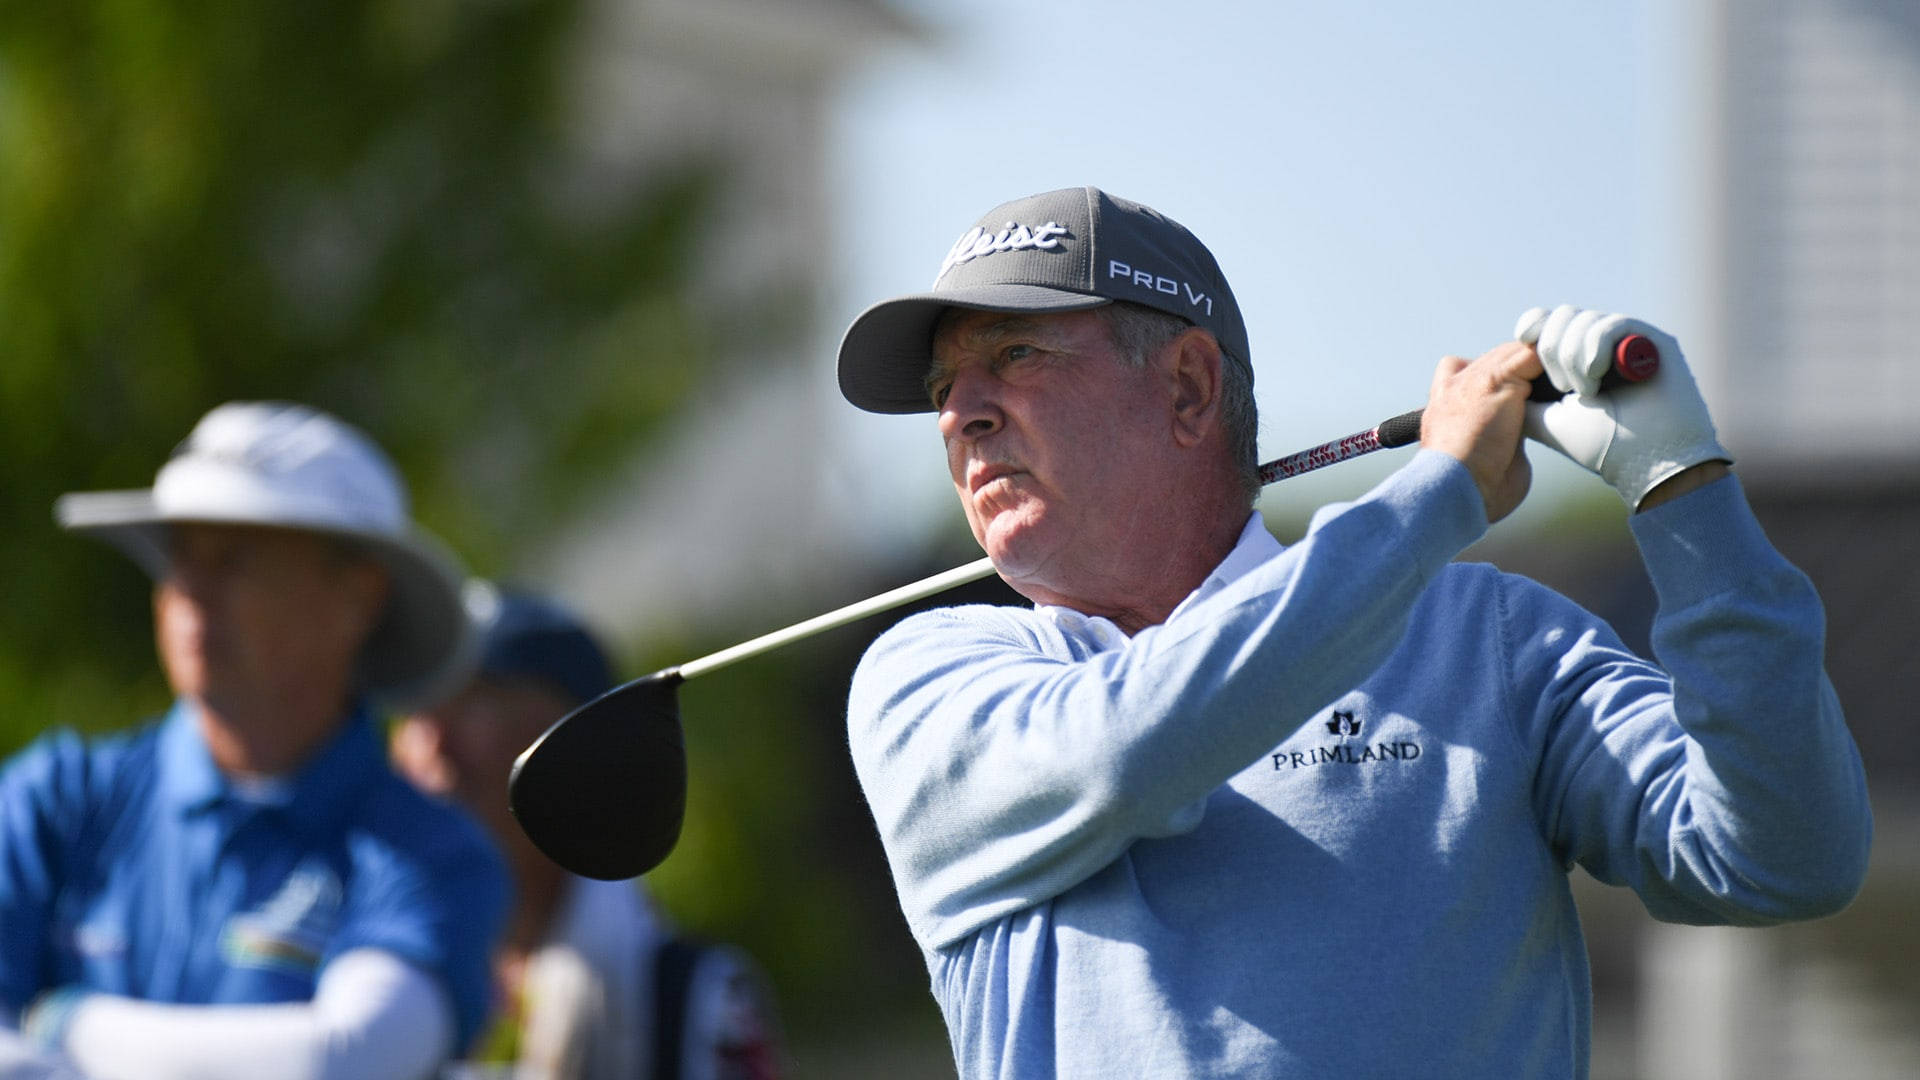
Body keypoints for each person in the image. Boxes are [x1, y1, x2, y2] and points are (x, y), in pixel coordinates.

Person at [833, 186, 1874, 1078]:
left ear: (1189, 387)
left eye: (1014, 355)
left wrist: (1682, 492)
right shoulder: (930, 678)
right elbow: (1136, 746)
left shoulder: (1488, 639)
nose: (959, 414)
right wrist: (1435, 496)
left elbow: (1785, 857)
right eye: (941, 389)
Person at [0, 401, 509, 1080]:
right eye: (181, 554)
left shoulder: (430, 853)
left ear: (357, 599)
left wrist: (63, 1021)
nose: (190, 589)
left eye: (234, 559)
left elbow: (343, 1062)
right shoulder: (57, 801)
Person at [391, 584, 784, 1080]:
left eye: (474, 699)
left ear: (579, 738)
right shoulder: (377, 977)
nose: (431, 742)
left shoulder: (693, 1000)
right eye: (415, 709)